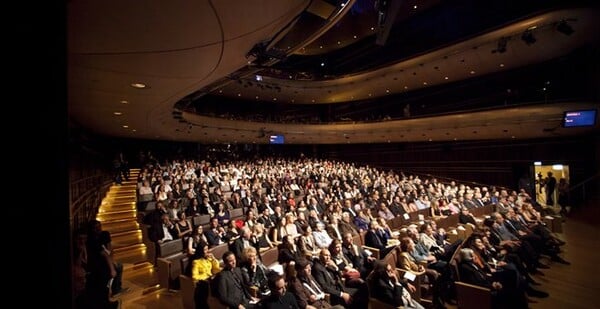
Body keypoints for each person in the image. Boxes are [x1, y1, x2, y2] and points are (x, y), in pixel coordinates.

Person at [190, 242, 221, 309]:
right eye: (205, 250)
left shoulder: (209, 259)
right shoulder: (196, 262)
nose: (207, 251)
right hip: (203, 283)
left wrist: (213, 259)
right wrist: (207, 277)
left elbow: (216, 269)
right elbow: (194, 277)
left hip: (211, 280)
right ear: (201, 251)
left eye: (207, 249)